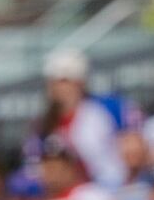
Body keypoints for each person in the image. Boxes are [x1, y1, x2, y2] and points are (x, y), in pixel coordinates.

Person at [29, 49, 128, 189]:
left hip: (109, 186)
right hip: (65, 196)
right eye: (53, 81)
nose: (57, 87)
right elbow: (34, 166)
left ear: (80, 83)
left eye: (64, 81)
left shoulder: (102, 111)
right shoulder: (44, 124)